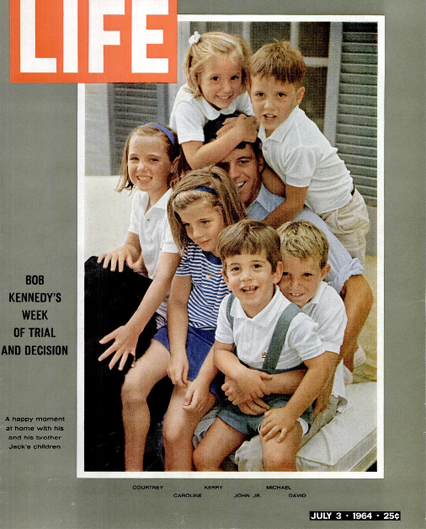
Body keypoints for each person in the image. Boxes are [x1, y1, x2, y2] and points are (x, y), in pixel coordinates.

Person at [216, 138, 372, 386]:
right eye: (224, 165)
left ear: (259, 163)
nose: (233, 174)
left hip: (307, 345)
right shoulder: (215, 213)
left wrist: (328, 371)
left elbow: (359, 291)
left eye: (243, 162)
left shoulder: (292, 214)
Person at [120, 166, 246, 471]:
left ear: (227, 212)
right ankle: (131, 475)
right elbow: (177, 303)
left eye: (205, 222)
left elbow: (235, 332)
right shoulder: (191, 249)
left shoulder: (246, 256)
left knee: (175, 430)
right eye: (188, 225)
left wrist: (199, 373)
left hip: (219, 346)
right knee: (132, 388)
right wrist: (176, 354)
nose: (197, 233)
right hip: (183, 332)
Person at [84, 123, 183, 471]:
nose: (141, 167)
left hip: (166, 310)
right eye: (134, 158)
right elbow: (134, 246)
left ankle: (116, 459)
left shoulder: (174, 207)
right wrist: (123, 250)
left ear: (173, 164)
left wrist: (131, 329)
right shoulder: (142, 196)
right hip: (145, 291)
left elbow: (164, 280)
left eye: (153, 159)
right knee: (95, 270)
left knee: (112, 361)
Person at [193, 220, 330, 471]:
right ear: (225, 276)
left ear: (275, 272)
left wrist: (290, 413)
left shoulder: (294, 321)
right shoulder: (229, 306)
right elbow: (221, 351)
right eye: (235, 269)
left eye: (256, 266)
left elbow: (320, 369)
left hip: (284, 401)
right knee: (203, 459)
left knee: (277, 461)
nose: (246, 277)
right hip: (242, 395)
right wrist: (241, 375)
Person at [234, 220, 348, 471]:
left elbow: (321, 373)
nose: (295, 286)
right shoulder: (265, 292)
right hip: (271, 389)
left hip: (315, 392)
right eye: (286, 275)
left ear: (324, 272)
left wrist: (252, 384)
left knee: (257, 456)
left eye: (307, 275)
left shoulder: (329, 306)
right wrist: (238, 378)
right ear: (275, 271)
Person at [248, 40, 370, 264]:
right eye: (260, 95)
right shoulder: (266, 124)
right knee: (317, 269)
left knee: (347, 273)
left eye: (281, 95)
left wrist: (257, 232)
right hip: (315, 207)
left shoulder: (299, 143)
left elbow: (293, 204)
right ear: (250, 92)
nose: (269, 106)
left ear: (299, 97)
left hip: (341, 213)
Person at [169, 31, 258, 170]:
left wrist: (252, 122)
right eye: (215, 79)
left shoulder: (240, 90)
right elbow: (196, 161)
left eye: (234, 77)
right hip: (187, 169)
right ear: (197, 77)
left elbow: (258, 121)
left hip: (225, 160)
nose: (227, 89)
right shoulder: (187, 103)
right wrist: (239, 133)